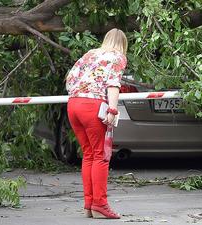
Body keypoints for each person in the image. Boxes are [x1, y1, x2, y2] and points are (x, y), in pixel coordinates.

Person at [65, 28, 127, 219]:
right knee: (101, 155)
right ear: (123, 44)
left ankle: (89, 205)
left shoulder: (90, 54)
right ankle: (100, 205)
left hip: (73, 105)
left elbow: (70, 79)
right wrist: (112, 109)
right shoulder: (117, 57)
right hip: (93, 106)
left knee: (89, 154)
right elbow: (113, 84)